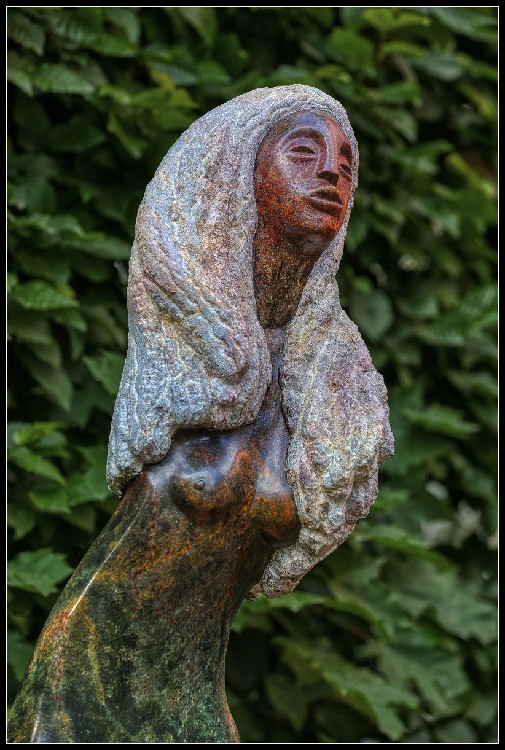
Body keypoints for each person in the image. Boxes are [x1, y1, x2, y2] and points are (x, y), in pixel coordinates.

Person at [8, 85, 393, 743]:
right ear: (233, 171)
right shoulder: (191, 351)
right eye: (303, 152)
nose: (331, 172)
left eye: (346, 163)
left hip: (194, 702)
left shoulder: (328, 383)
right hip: (77, 696)